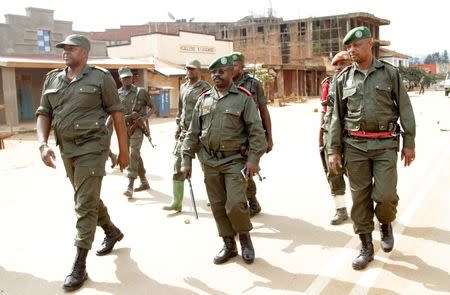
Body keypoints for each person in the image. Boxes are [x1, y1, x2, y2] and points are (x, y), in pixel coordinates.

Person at [35, 34, 129, 291]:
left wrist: (124, 151)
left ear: (85, 52)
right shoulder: (52, 78)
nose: (65, 52)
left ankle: (79, 264)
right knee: (85, 196)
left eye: (71, 48)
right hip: (67, 149)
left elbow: (117, 115)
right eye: (63, 48)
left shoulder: (101, 78)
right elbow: (44, 113)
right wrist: (42, 144)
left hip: (93, 148)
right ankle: (111, 230)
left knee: (84, 204)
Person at [327, 27, 416, 270]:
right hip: (354, 146)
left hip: (385, 144)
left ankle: (385, 223)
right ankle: (366, 245)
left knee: (385, 195)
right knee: (360, 198)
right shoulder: (343, 78)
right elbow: (336, 117)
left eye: (356, 45)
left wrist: (409, 142)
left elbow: (405, 109)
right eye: (348, 47)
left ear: (370, 44)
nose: (351, 50)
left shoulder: (389, 74)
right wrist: (333, 150)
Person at [181, 55, 267, 264]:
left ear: (232, 72)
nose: (217, 76)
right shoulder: (204, 99)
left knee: (235, 204)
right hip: (209, 160)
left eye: (222, 71)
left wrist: (253, 159)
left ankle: (245, 239)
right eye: (214, 72)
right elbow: (193, 132)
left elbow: (257, 133)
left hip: (235, 160)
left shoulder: (244, 98)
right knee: (218, 205)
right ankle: (229, 245)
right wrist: (186, 159)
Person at [163, 59, 210, 212]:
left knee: (208, 168)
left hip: (200, 134)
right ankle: (177, 202)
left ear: (199, 71)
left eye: (193, 69)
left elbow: (209, 112)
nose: (190, 71)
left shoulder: (206, 89)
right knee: (178, 165)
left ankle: (214, 197)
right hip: (184, 134)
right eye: (188, 68)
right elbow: (181, 109)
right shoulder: (183, 87)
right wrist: (178, 126)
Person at [230, 52, 273, 217]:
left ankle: (252, 203)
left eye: (235, 64)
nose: (231, 68)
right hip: (232, 134)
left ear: (242, 66)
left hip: (250, 135)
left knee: (243, 170)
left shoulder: (254, 85)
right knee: (237, 171)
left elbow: (264, 111)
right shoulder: (225, 82)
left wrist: (269, 138)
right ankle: (248, 202)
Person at [319, 51, 352, 225]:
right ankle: (341, 210)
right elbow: (324, 112)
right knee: (334, 173)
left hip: (352, 134)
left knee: (357, 174)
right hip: (330, 135)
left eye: (343, 63)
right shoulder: (328, 84)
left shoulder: (357, 80)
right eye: (336, 64)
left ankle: (364, 209)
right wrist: (320, 137)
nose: (339, 67)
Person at [118, 67, 155, 198]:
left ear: (132, 78)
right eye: (124, 77)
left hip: (138, 128)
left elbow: (152, 107)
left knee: (133, 153)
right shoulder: (118, 94)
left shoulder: (141, 92)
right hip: (125, 129)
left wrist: (143, 118)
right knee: (135, 155)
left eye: (129, 77)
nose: (127, 79)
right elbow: (114, 114)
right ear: (120, 79)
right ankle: (144, 181)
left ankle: (130, 184)